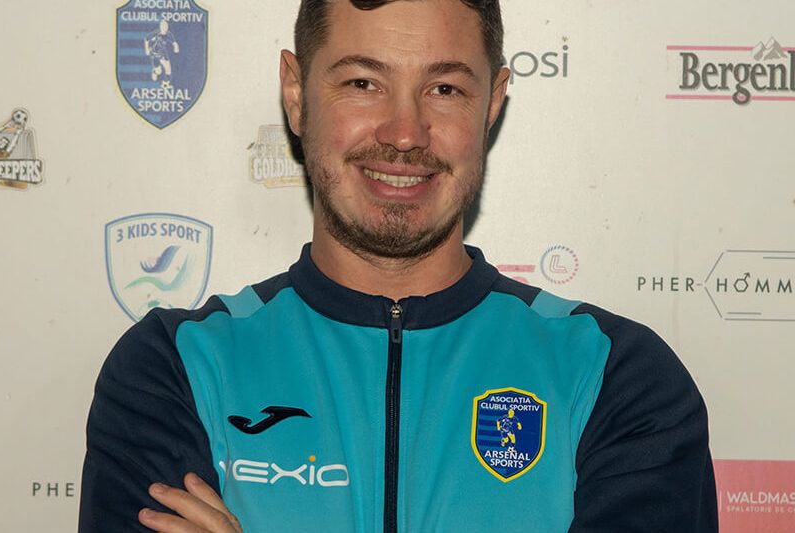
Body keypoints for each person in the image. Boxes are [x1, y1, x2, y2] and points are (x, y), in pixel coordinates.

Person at [79, 1, 718, 531]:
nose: (405, 132)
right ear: (296, 94)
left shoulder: (618, 378)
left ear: (492, 103)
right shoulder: (173, 368)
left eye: (444, 89)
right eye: (363, 83)